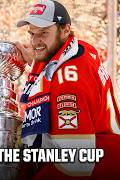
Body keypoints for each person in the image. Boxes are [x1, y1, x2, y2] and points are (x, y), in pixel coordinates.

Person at [15, 0, 120, 179]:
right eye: (31, 33)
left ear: (65, 30)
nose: (34, 41)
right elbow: (55, 65)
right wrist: (37, 60)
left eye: (43, 33)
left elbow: (77, 164)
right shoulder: (80, 48)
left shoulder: (68, 85)